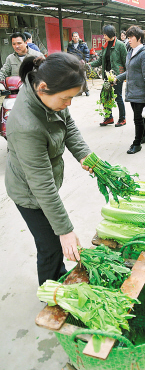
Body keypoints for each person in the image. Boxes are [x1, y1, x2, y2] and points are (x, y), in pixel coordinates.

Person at [5, 53, 92, 285]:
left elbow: (68, 124)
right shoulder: (26, 126)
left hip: (42, 183)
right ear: (43, 88)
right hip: (29, 192)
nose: (68, 104)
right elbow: (41, 184)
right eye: (66, 98)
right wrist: (65, 230)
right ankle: (50, 290)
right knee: (51, 244)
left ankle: (58, 274)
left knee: (54, 239)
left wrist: (84, 154)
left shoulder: (47, 92)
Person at [116, 25, 145, 154]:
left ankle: (137, 144)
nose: (129, 40)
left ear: (139, 38)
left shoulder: (144, 54)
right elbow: (129, 72)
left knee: (137, 118)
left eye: (131, 37)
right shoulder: (131, 52)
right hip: (132, 90)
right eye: (128, 37)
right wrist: (117, 78)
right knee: (141, 117)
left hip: (140, 91)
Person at [89, 25, 127, 127]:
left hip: (117, 76)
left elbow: (126, 62)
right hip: (107, 76)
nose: (104, 36)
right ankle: (109, 117)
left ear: (111, 34)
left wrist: (125, 76)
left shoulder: (120, 45)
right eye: (104, 35)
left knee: (117, 97)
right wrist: (89, 65)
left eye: (105, 35)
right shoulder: (105, 45)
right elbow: (99, 60)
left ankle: (122, 118)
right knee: (104, 97)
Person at [67, 32, 90, 96]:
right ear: (72, 38)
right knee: (76, 77)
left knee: (83, 76)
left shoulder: (83, 44)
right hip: (74, 63)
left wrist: (86, 61)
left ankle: (86, 90)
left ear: (78, 37)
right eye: (74, 36)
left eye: (76, 36)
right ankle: (78, 91)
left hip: (81, 62)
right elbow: (68, 54)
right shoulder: (70, 45)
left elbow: (87, 53)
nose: (75, 37)